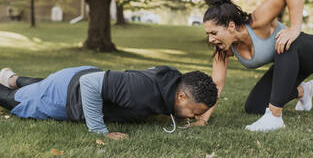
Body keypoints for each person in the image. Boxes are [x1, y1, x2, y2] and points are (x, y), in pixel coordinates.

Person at [197, 0, 313, 132]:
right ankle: (304, 91)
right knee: (254, 106)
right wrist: (203, 119)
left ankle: (274, 117)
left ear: (231, 26)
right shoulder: (223, 48)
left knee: (283, 42)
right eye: (208, 34)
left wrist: (294, 28)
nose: (210, 39)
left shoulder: (257, 22)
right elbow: (217, 84)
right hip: (290, 66)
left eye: (214, 33)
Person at [0, 65, 218, 139]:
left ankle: (10, 78)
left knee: (37, 85)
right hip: (65, 93)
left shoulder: (170, 82)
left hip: (75, 76)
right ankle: (9, 85)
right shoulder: (141, 90)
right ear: (181, 96)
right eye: (194, 111)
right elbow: (89, 84)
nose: (195, 117)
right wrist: (99, 130)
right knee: (15, 101)